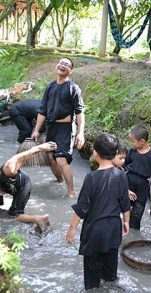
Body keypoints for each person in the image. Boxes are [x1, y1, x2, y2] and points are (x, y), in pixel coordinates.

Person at [66, 133, 131, 290]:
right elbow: (125, 204)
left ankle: (94, 291)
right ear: (116, 154)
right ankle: (110, 283)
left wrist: (72, 228)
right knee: (110, 267)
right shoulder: (121, 175)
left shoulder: (91, 177)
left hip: (94, 231)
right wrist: (126, 222)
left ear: (95, 152)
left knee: (92, 276)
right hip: (114, 227)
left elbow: (82, 207)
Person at [32, 57, 85, 198]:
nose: (62, 65)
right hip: (51, 127)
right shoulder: (50, 87)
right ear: (57, 66)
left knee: (61, 159)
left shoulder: (73, 88)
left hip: (66, 128)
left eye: (66, 65)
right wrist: (36, 129)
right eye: (61, 63)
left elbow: (79, 112)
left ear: (70, 71)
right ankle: (59, 180)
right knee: (51, 158)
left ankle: (71, 191)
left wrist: (81, 133)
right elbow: (42, 110)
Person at [0, 141, 57, 231]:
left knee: (14, 215)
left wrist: (39, 148)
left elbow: (17, 157)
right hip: (7, 186)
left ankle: (38, 219)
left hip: (23, 185)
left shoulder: (8, 169)